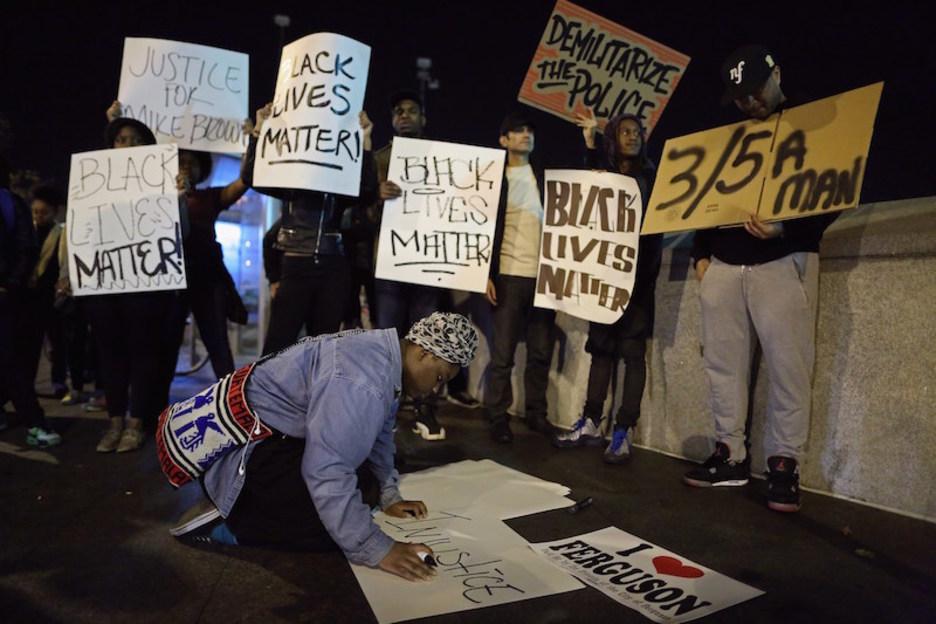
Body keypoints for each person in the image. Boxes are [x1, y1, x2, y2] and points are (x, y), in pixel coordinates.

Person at [158, 312, 478, 581]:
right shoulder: (363, 379)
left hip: (268, 438)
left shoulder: (383, 355)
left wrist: (388, 493)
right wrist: (377, 548)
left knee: (360, 492)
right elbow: (326, 469)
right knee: (330, 530)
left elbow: (380, 434)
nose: (435, 390)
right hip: (242, 454)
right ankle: (228, 523)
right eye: (439, 377)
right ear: (425, 353)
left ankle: (251, 506)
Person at [682, 45, 838, 512]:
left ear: (776, 75)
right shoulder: (732, 137)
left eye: (754, 92)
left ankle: (784, 465)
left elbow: (834, 188)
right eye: (739, 97)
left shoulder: (813, 123)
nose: (748, 104)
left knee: (790, 368)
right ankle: (729, 455)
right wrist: (699, 254)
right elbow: (709, 192)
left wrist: (788, 227)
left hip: (782, 257)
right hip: (726, 264)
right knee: (722, 367)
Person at [552, 110, 663, 463]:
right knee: (601, 350)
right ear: (613, 138)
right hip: (604, 279)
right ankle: (591, 421)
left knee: (632, 353)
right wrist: (589, 146)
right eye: (625, 132)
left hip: (638, 282)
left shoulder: (653, 176)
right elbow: (586, 196)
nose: (632, 136)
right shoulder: (605, 173)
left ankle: (623, 429)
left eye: (638, 132)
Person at [241, 104, 378, 356]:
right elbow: (251, 176)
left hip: (333, 268)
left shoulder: (338, 185)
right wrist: (259, 129)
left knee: (322, 348)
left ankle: (314, 395)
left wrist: (366, 139)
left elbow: (368, 190)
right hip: (296, 266)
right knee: (277, 348)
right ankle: (265, 394)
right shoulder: (290, 182)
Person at [79, 116, 176, 452]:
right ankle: (114, 424)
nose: (128, 145)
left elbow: (182, 234)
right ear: (111, 145)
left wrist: (177, 198)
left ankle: (136, 424)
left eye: (135, 140)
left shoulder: (162, 183)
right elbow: (81, 230)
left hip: (143, 283)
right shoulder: (93, 181)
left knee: (143, 352)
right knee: (110, 353)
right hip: (102, 282)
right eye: (121, 139)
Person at [372, 89, 450, 439]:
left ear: (423, 119)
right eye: (398, 111)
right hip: (390, 264)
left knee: (427, 343)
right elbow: (362, 214)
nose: (404, 115)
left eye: (412, 110)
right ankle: (381, 411)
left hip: (427, 265)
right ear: (392, 120)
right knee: (387, 340)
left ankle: (425, 410)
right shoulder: (378, 160)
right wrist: (377, 199)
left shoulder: (445, 159)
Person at [485, 111, 556, 443]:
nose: (525, 135)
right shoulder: (493, 178)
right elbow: (483, 227)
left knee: (541, 351)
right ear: (504, 140)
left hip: (543, 277)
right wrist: (487, 275)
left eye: (529, 130)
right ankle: (498, 416)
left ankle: (536, 414)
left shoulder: (544, 174)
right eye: (517, 131)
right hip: (509, 275)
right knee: (503, 354)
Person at [0, 157, 61, 445]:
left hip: (7, 299)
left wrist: (8, 286)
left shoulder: (9, 204)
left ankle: (35, 423)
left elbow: (27, 249)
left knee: (12, 361)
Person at [22, 185, 69, 399]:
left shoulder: (62, 234)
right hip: (29, 297)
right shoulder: (26, 233)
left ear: (55, 212)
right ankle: (26, 384)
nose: (39, 216)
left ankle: (58, 381)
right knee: (30, 344)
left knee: (58, 343)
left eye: (44, 212)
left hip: (52, 298)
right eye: (35, 211)